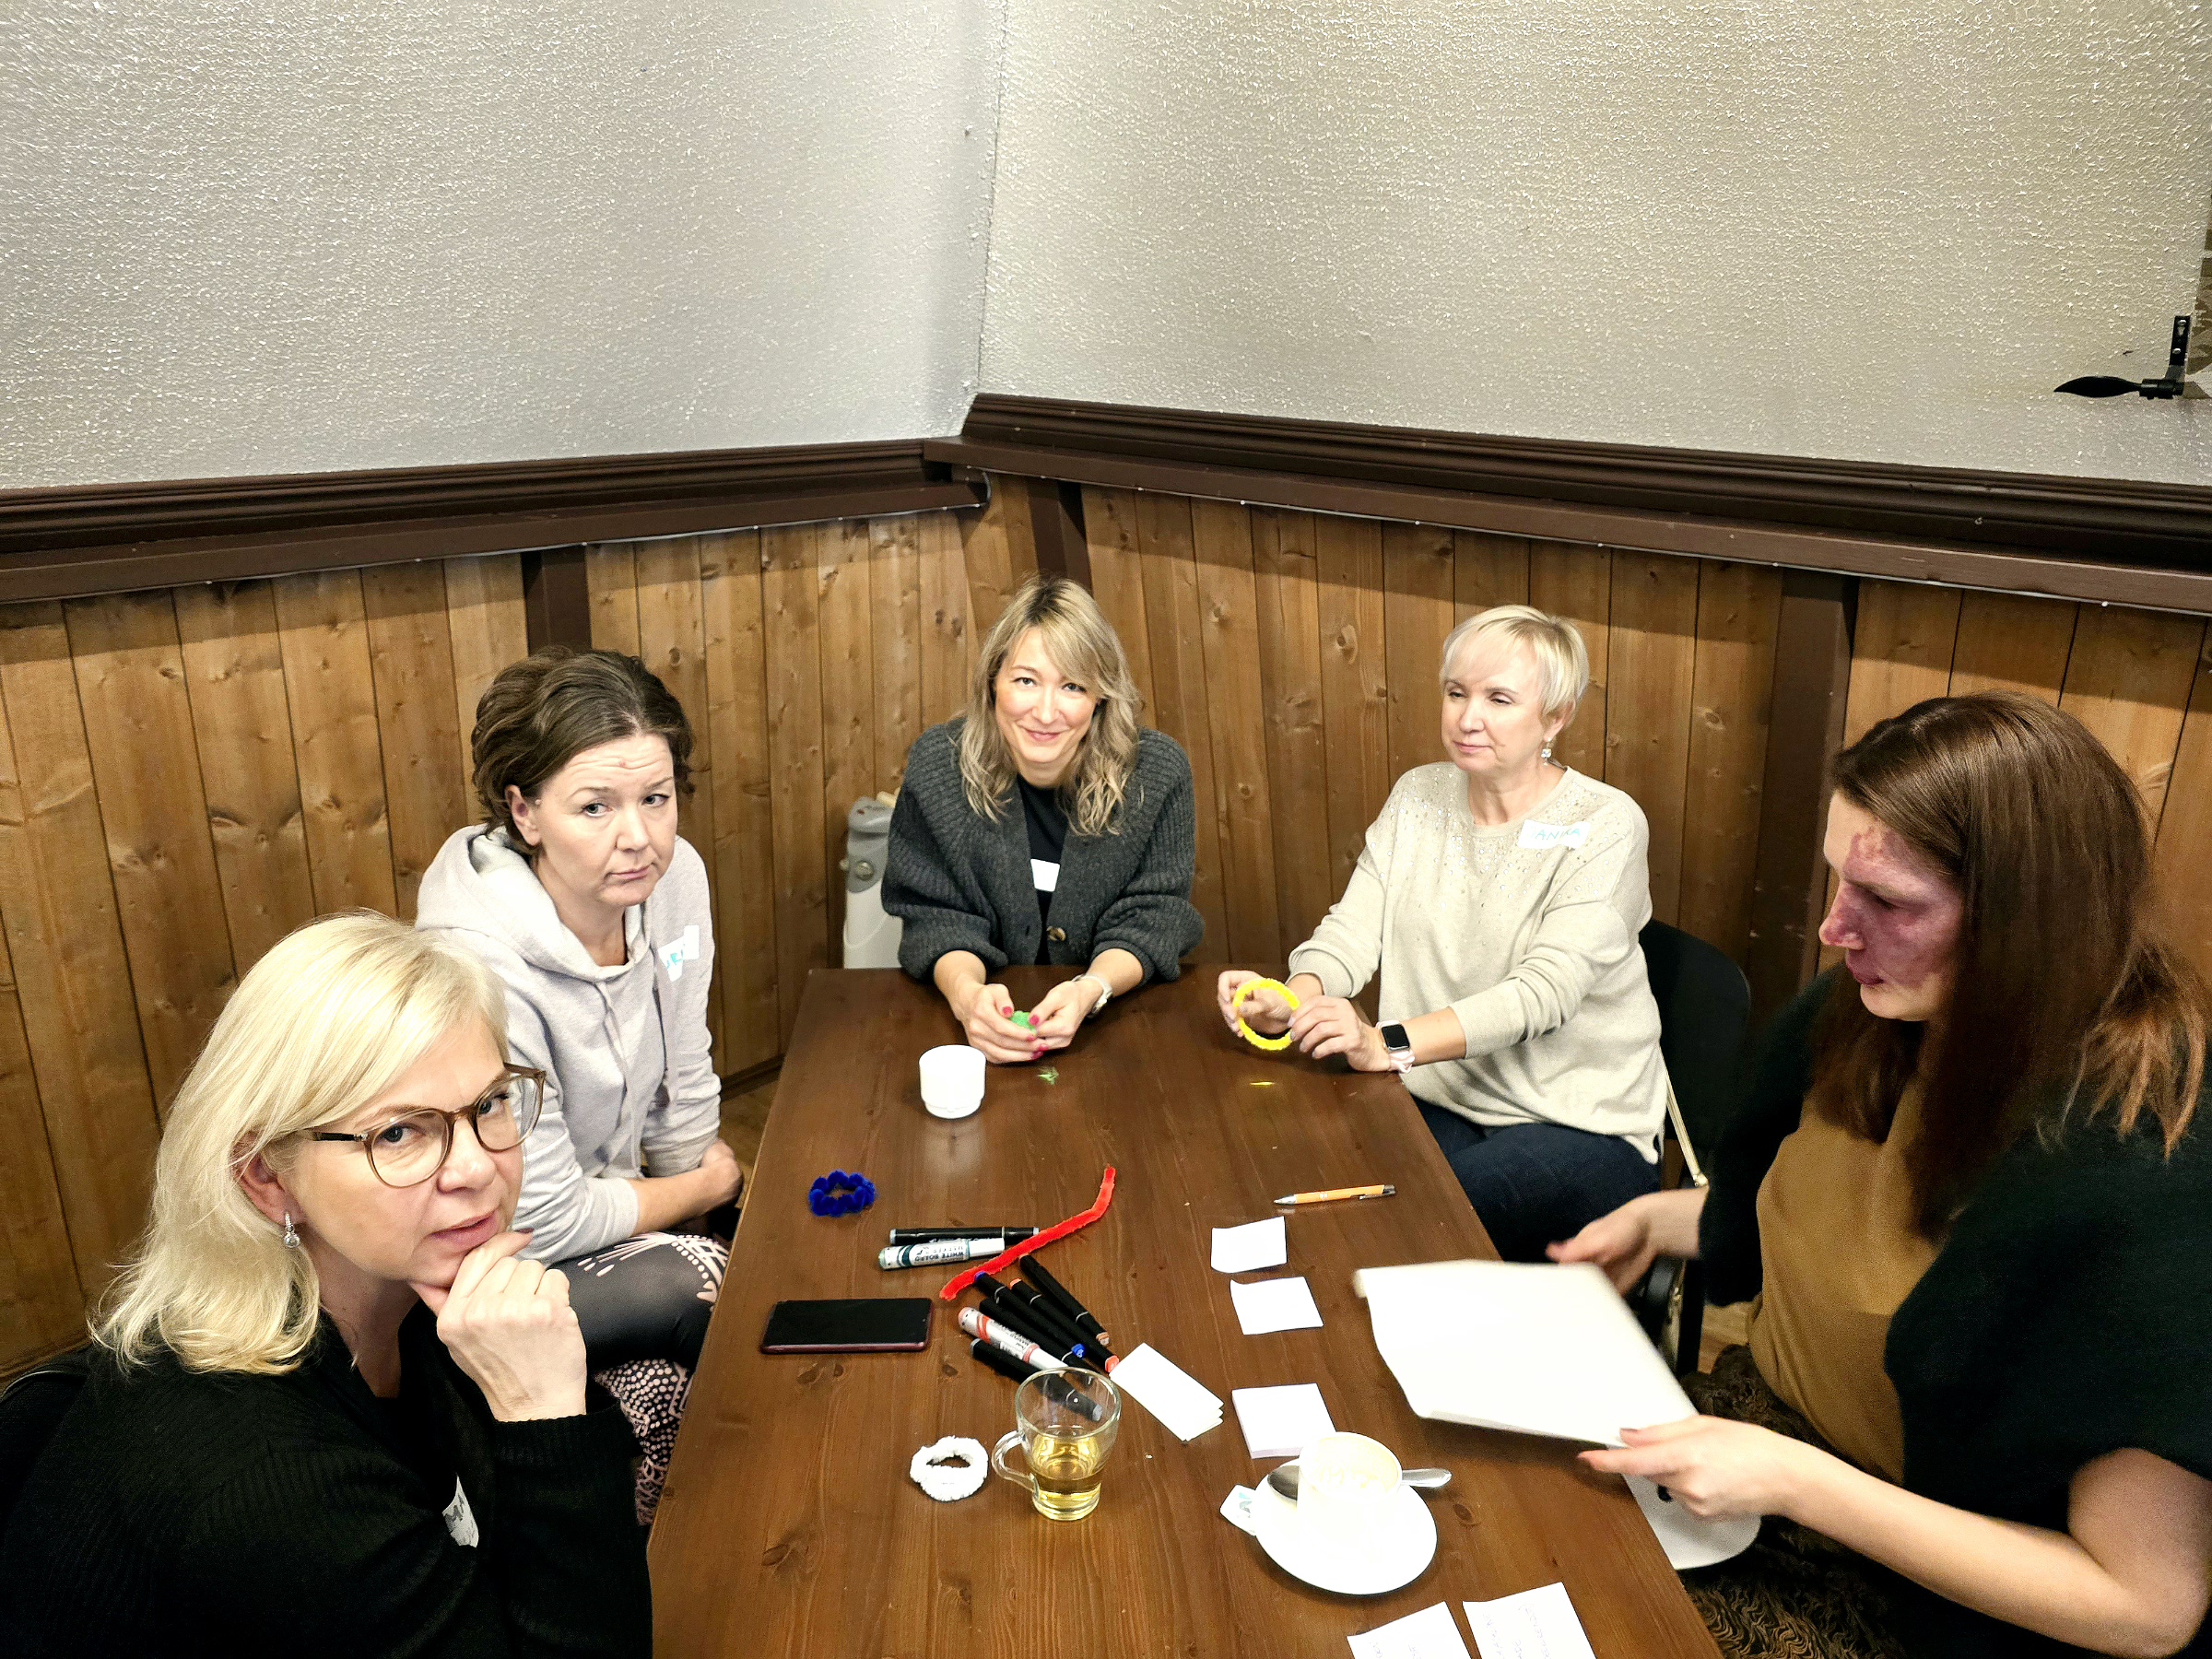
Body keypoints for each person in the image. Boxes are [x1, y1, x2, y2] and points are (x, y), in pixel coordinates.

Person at [1552, 692, 2212, 1659]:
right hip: (1765, 1445)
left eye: (1889, 902)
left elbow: (2146, 1608)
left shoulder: (2138, 1174)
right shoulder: (1876, 1020)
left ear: (2032, 921)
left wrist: (1799, 1484)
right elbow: (1853, 1224)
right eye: (1838, 882)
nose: (1834, 929)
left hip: (1917, 1577)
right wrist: (1662, 1219)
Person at [0, 912, 648, 1657]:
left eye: (489, 1104)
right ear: (267, 1179)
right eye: (398, 1133)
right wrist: (542, 1412)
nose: (476, 1168)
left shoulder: (410, 1299)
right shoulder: (266, 1480)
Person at [1218, 604, 1667, 1262]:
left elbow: (1542, 995)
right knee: (1298, 1163)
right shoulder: (1418, 796)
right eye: (1456, 693)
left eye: (1499, 699)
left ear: (1556, 717)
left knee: (1406, 1222)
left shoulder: (1607, 824)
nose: (1467, 717)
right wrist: (1294, 997)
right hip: (1437, 1094)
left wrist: (1385, 1044)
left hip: (1577, 1124)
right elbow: (1352, 930)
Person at [416, 647, 739, 1517]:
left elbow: (686, 1066)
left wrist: (702, 1193)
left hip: (612, 1212)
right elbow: (547, 1218)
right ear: (523, 811)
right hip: (492, 1260)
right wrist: (705, 1190)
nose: (639, 837)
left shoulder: (675, 880)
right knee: (710, 1283)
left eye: (656, 798)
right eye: (595, 806)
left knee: (766, 1263)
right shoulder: (478, 965)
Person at [884, 572, 1204, 1063]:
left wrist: (1091, 988)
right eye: (1026, 681)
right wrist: (967, 997)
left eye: (1073, 686)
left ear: (1100, 698)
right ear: (993, 682)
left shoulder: (1157, 773)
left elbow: (1155, 916)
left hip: (1113, 1027)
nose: (1047, 713)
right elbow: (936, 916)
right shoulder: (939, 766)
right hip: (967, 1033)